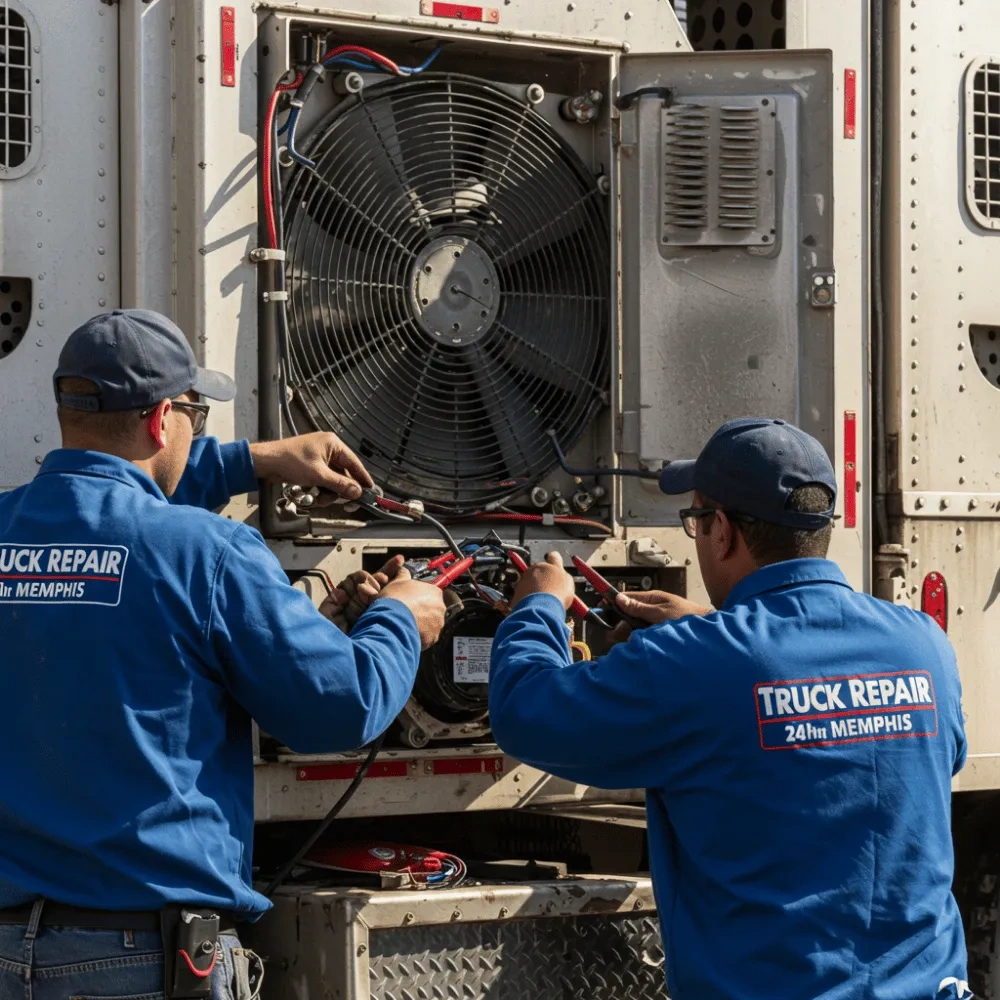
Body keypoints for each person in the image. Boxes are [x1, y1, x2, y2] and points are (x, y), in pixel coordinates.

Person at [0, 309, 445, 1000]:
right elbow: (342, 707)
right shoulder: (209, 553)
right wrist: (398, 619)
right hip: (144, 961)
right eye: (196, 417)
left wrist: (253, 460)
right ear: (160, 420)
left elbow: (106, 502)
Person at [488, 417, 969, 1000]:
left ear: (721, 532)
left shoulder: (694, 663)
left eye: (694, 519)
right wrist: (717, 637)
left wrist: (538, 606)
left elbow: (524, 711)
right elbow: (928, 753)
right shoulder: (923, 643)